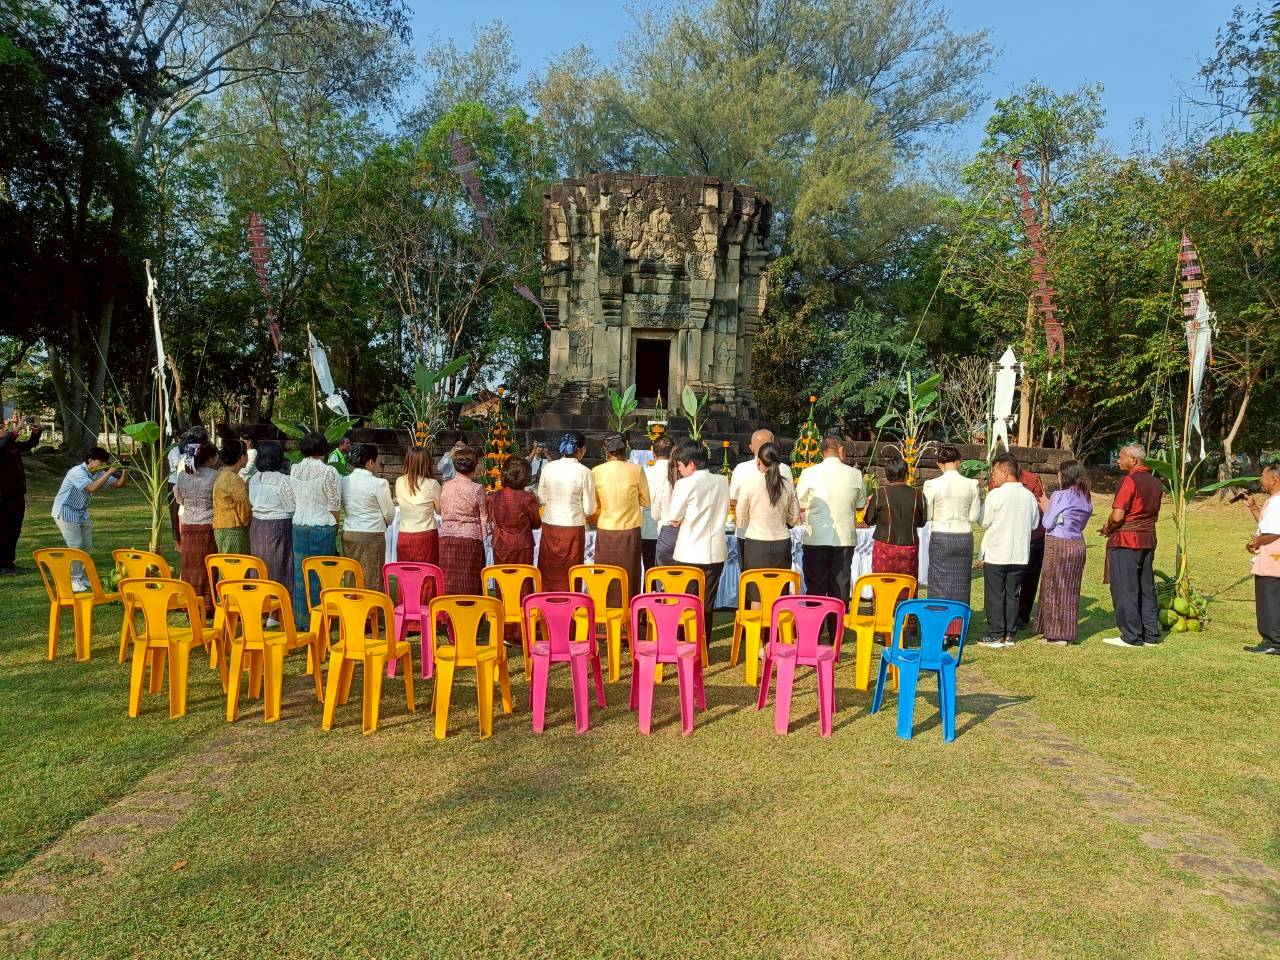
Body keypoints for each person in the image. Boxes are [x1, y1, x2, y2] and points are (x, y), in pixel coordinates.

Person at [1099, 443, 1164, 648]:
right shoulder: (1156, 482)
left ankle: (1131, 635)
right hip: (1147, 539)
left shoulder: (1129, 480)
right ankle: (1151, 634)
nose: (1118, 461)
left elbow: (1118, 516)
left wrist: (1108, 526)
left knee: (1125, 588)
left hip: (1127, 540)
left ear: (1134, 460)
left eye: (1121, 457)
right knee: (1146, 587)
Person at [669, 439, 731, 645]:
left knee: (687, 601)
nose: (679, 470)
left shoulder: (684, 484)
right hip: (714, 551)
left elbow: (674, 517)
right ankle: (702, 645)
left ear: (691, 464)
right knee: (707, 603)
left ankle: (686, 644)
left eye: (680, 465)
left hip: (689, 551)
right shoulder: (722, 481)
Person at [797, 436, 866, 610]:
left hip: (817, 537)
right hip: (844, 538)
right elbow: (860, 504)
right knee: (840, 586)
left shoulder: (809, 473)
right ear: (841, 450)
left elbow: (800, 503)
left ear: (822, 452)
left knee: (816, 586)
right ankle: (836, 624)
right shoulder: (855, 474)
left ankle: (815, 623)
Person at [978, 454, 1040, 648]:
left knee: (996, 594)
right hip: (1019, 553)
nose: (993, 476)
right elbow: (1035, 524)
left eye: (995, 472)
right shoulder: (1029, 496)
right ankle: (1009, 634)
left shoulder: (996, 495)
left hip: (997, 552)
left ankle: (996, 633)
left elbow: (983, 521)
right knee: (1013, 593)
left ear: (1005, 473)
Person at [1033, 459, 1094, 646]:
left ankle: (1056, 635)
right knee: (1070, 589)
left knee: (1053, 587)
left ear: (1066, 475)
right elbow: (1081, 523)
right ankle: (1065, 631)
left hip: (1058, 544)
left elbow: (1047, 523)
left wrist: (1047, 508)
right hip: (1077, 545)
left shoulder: (1060, 495)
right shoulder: (1086, 497)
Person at [51, 446, 128, 592]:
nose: (104, 465)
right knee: (76, 545)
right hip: (65, 511)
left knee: (86, 546)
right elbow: (92, 488)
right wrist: (109, 472)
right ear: (90, 460)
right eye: (101, 462)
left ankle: (82, 577)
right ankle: (74, 579)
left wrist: (125, 471)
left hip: (81, 512)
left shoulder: (98, 473)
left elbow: (119, 484)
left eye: (105, 462)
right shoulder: (77, 472)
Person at [290, 432, 342, 627]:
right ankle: (320, 619)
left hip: (299, 525)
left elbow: (293, 498)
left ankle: (302, 618)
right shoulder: (328, 472)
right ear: (324, 449)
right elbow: (334, 504)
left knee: (301, 574)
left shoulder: (295, 469)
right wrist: (335, 526)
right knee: (322, 575)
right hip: (322, 527)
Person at [923, 444, 980, 611]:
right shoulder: (972, 484)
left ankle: (939, 619)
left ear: (939, 464)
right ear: (959, 462)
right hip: (964, 536)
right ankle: (958, 620)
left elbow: (927, 515)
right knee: (962, 582)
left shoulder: (931, 484)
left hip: (941, 535)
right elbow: (973, 517)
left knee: (938, 580)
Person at [592, 433, 650, 600]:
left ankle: (604, 611)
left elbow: (594, 504)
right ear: (626, 448)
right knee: (629, 574)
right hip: (629, 530)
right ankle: (629, 610)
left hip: (606, 529)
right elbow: (646, 501)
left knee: (605, 574)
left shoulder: (597, 471)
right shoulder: (636, 470)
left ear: (606, 450)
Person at [536, 431, 596, 592]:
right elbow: (589, 509)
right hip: (573, 526)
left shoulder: (549, 467)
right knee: (571, 571)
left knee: (549, 569)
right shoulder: (585, 472)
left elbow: (541, 499)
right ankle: (571, 604)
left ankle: (546, 603)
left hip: (550, 524)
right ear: (582, 450)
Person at [735, 441, 800, 572]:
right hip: (782, 542)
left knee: (754, 583)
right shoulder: (788, 484)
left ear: (758, 461)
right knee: (781, 582)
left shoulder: (749, 483)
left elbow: (741, 516)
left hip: (756, 542)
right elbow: (794, 517)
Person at [342, 443, 394, 591]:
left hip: (349, 533)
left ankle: (350, 604)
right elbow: (390, 514)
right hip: (372, 534)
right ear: (371, 462)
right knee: (372, 579)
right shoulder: (379, 483)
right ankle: (371, 606)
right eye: (377, 461)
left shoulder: (344, 481)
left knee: (352, 577)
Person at [174, 441, 220, 607]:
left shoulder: (183, 475)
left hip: (187, 525)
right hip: (208, 525)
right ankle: (208, 603)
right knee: (207, 564)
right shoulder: (215, 476)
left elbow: (180, 499)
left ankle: (190, 602)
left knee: (190, 563)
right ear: (210, 458)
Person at [438, 446, 488, 595]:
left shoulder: (446, 485)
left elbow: (443, 511)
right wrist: (483, 537)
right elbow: (484, 516)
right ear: (475, 466)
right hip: (470, 538)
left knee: (449, 580)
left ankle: (448, 609)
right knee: (468, 581)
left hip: (446, 537)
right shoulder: (477, 488)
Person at [863, 456, 925, 576]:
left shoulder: (880, 494)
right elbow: (922, 522)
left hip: (884, 547)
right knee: (906, 584)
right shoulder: (918, 494)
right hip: (909, 547)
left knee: (883, 583)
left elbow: (869, 520)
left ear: (887, 474)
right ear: (906, 473)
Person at [248, 441, 295, 597]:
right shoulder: (283, 480)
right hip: (279, 527)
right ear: (278, 458)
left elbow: (252, 500)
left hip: (257, 527)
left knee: (260, 565)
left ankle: (260, 601)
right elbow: (292, 507)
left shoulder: (254, 478)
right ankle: (278, 604)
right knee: (279, 566)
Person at [0, 418, 43, 574]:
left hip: (16, 494)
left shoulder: (11, 446)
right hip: (2, 497)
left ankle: (8, 563)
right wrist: (16, 429)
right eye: (1, 427)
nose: (4, 428)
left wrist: (36, 427)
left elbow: (31, 443)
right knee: (3, 529)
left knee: (14, 529)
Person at [1245, 463, 1280, 655]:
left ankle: (1273, 641)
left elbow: (1274, 532)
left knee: (1269, 600)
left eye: (1263, 477)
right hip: (1273, 557)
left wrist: (1255, 542)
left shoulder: (1277, 502)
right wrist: (1253, 507)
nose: (1261, 481)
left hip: (1273, 558)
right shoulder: (1274, 501)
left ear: (1274, 480)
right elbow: (1268, 524)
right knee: (1271, 598)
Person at [489, 455, 542, 566]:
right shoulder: (528, 498)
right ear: (525, 476)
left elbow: (492, 518)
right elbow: (536, 523)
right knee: (523, 576)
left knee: (501, 576)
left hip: (500, 544)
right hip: (522, 544)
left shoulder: (493, 497)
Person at [394, 446, 442, 566]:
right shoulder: (433, 484)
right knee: (427, 572)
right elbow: (440, 510)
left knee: (406, 572)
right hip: (426, 535)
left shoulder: (399, 481)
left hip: (405, 534)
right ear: (427, 463)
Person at [729, 428, 790, 514]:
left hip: (749, 520)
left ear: (751, 448)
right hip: (779, 520)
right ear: (774, 446)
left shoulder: (741, 469)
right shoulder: (785, 469)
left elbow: (733, 499)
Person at [1016, 464, 1047, 630]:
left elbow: (1040, 506)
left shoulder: (1033, 480)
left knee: (1030, 578)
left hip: (1033, 536)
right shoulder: (997, 478)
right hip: (1011, 537)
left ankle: (1023, 616)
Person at [212, 439, 252, 555]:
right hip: (234, 530)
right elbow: (244, 513)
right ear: (242, 458)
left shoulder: (221, 474)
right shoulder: (234, 479)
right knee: (236, 564)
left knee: (225, 563)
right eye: (247, 454)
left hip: (220, 527)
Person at [641, 436, 674, 570]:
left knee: (650, 571)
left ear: (653, 453)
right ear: (673, 452)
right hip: (673, 530)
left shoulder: (644, 473)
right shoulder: (679, 473)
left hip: (649, 529)